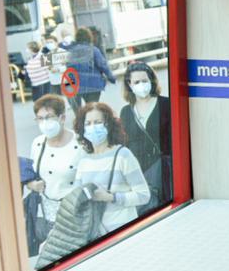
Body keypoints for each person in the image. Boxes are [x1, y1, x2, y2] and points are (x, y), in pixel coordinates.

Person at [73, 102, 150, 237]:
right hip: (95, 233)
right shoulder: (84, 160)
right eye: (88, 123)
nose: (92, 127)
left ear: (108, 125)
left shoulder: (123, 155)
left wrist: (111, 197)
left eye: (98, 122)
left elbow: (144, 195)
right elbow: (76, 196)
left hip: (124, 231)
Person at [25, 95, 85, 245]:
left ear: (62, 118)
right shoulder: (38, 143)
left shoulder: (80, 143)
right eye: (40, 118)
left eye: (49, 117)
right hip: (46, 216)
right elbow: (32, 174)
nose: (44, 123)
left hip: (74, 217)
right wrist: (31, 184)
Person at [119, 62, 172, 214]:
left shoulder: (166, 104)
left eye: (144, 80)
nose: (141, 85)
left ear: (151, 81)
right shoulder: (126, 111)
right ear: (129, 84)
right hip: (140, 173)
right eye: (137, 82)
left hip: (166, 172)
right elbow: (125, 144)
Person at [65, 27, 116, 110]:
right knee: (92, 108)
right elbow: (103, 65)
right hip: (93, 84)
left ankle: (81, 121)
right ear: (89, 37)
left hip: (77, 86)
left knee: (80, 111)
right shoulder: (94, 50)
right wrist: (111, 78)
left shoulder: (71, 52)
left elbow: (69, 70)